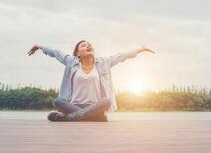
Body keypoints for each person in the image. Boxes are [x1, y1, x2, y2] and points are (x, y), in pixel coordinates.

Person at [27, 40, 155, 122]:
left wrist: (141, 49)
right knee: (57, 101)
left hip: (95, 106)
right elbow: (56, 53)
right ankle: (89, 117)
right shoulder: (71, 62)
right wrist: (39, 46)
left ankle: (71, 118)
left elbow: (122, 55)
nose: (88, 45)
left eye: (89, 44)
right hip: (74, 106)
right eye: (83, 45)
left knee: (107, 100)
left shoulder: (104, 62)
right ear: (77, 53)